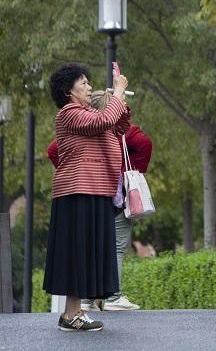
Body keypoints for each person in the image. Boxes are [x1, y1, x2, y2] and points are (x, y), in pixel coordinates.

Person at [46, 90, 153, 312]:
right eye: (83, 82)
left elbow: (54, 149)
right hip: (111, 196)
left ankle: (88, 298)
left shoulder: (87, 129)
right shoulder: (99, 124)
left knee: (94, 246)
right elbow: (144, 143)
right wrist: (132, 169)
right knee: (114, 246)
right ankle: (112, 296)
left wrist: (72, 166)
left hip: (97, 192)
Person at [43, 63, 130, 331]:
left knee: (84, 253)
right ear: (69, 92)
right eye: (83, 84)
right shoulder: (68, 114)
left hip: (94, 188)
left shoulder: (87, 113)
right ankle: (71, 315)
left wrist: (120, 101)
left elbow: (118, 126)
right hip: (77, 190)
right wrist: (116, 93)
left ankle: (73, 314)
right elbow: (104, 121)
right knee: (77, 254)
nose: (89, 87)